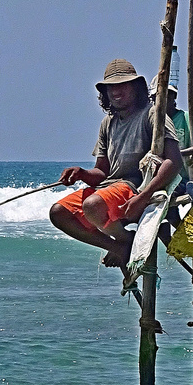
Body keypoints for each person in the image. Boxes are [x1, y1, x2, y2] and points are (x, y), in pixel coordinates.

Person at [49, 59, 183, 268]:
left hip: (135, 187)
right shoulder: (108, 123)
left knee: (92, 206)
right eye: (111, 87)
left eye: (123, 85)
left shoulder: (152, 114)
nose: (116, 91)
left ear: (136, 88)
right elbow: (102, 172)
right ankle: (121, 245)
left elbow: (173, 162)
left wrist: (144, 196)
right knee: (59, 212)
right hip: (110, 187)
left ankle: (123, 241)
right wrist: (81, 173)